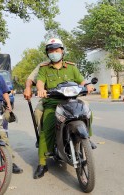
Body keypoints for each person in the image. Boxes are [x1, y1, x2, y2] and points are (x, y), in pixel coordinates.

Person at [34, 38, 94, 179]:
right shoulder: (44, 68)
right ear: (47, 53)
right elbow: (40, 82)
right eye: (51, 51)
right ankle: (42, 163)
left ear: (62, 51)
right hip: (53, 103)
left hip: (72, 101)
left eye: (56, 50)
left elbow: (81, 80)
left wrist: (87, 86)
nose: (54, 53)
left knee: (87, 112)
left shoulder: (71, 67)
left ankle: (87, 138)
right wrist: (41, 90)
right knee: (46, 129)